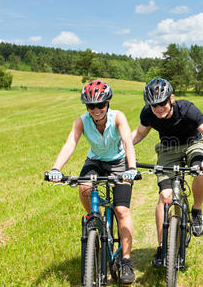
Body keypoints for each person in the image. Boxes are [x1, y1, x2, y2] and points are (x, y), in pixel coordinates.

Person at [48, 80, 137, 284]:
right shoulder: (81, 121)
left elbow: (127, 141)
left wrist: (131, 168)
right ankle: (94, 219)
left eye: (100, 105)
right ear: (86, 107)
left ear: (108, 104)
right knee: (84, 187)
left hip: (118, 162)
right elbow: (71, 142)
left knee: (122, 210)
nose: (96, 110)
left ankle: (126, 260)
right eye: (91, 106)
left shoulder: (118, 117)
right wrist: (56, 169)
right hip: (95, 161)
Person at [131, 78, 203, 267]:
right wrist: (120, 148)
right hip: (168, 148)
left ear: (171, 98)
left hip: (193, 144)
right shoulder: (148, 113)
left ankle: (196, 211)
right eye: (153, 105)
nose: (158, 108)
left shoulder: (187, 109)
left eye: (162, 103)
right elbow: (139, 134)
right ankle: (162, 248)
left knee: (200, 171)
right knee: (165, 195)